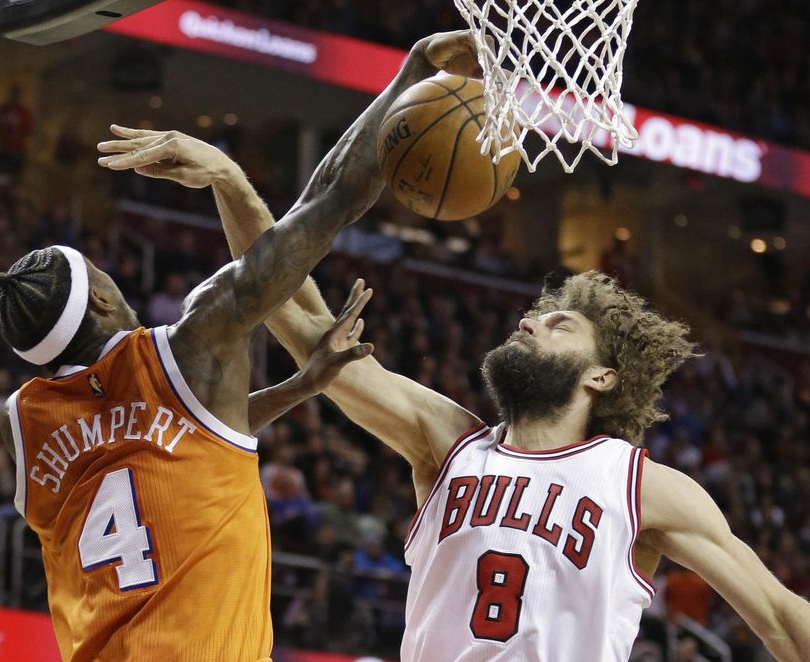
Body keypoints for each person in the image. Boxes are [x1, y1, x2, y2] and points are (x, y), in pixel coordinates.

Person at [109, 133, 810, 662]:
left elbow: (778, 617)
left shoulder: (642, 488)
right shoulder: (448, 440)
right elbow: (300, 323)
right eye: (533, 314)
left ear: (603, 378)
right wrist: (233, 183)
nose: (530, 320)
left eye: (558, 325)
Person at [0, 31, 481, 662]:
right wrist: (412, 72)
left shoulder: (20, 423)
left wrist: (299, 388)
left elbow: (155, 447)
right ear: (105, 300)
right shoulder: (194, 345)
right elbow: (333, 196)